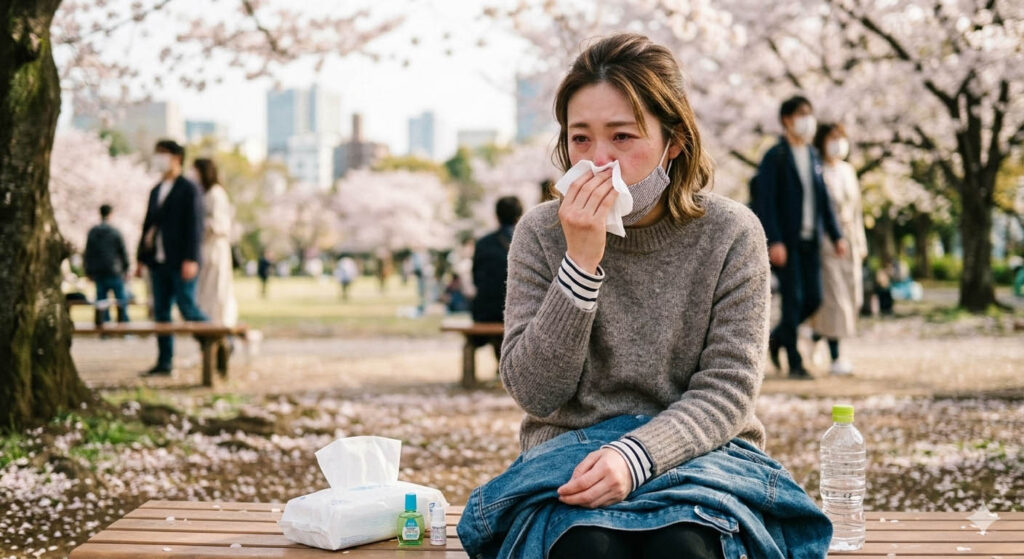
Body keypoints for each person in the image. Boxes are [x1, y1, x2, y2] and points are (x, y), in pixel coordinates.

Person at [457, 34, 830, 559]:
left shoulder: (731, 233)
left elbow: (727, 390)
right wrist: (581, 265)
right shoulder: (541, 232)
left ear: (673, 141)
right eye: (581, 140)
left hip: (701, 454)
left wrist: (636, 456)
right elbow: (536, 392)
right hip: (570, 457)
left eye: (623, 137)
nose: (598, 161)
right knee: (585, 547)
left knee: (685, 545)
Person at [753, 96, 847, 379]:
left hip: (811, 240)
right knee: (793, 300)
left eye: (810, 113)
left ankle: (779, 338)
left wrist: (836, 234)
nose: (807, 119)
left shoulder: (813, 156)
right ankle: (795, 361)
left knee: (814, 298)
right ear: (786, 119)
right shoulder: (775, 157)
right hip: (787, 242)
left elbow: (824, 201)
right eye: (801, 114)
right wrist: (774, 240)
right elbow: (765, 201)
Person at [136, 139, 208, 376]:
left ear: (177, 157)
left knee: (187, 307)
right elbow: (148, 225)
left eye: (163, 154)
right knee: (161, 312)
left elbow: (195, 226)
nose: (159, 159)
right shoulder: (156, 189)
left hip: (180, 260)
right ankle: (164, 361)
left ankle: (217, 340)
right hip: (158, 260)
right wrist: (140, 258)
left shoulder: (189, 188)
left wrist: (192, 258)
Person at [809, 124, 868, 375]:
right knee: (835, 299)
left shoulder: (847, 171)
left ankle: (814, 335)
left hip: (850, 239)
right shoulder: (817, 170)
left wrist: (861, 242)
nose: (838, 143)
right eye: (833, 138)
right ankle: (836, 356)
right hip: (827, 243)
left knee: (852, 295)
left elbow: (856, 211)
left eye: (841, 138)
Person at [469, 196, 523, 360]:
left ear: (497, 216)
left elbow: (476, 279)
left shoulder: (483, 243)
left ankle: (500, 365)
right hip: (519, 311)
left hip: (486, 312)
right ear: (520, 215)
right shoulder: (528, 241)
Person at [192, 158, 238, 328]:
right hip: (205, 249)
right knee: (204, 293)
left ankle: (219, 328)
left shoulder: (216, 193)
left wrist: (197, 224)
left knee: (217, 291)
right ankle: (208, 326)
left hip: (215, 248)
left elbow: (221, 224)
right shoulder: (203, 193)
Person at [84, 203, 131, 323]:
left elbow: (88, 253)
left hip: (99, 272)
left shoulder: (93, 232)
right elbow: (123, 252)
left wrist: (88, 271)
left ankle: (104, 327)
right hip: (114, 270)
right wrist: (126, 269)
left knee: (101, 301)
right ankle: (124, 326)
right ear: (110, 214)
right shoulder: (115, 232)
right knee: (120, 300)